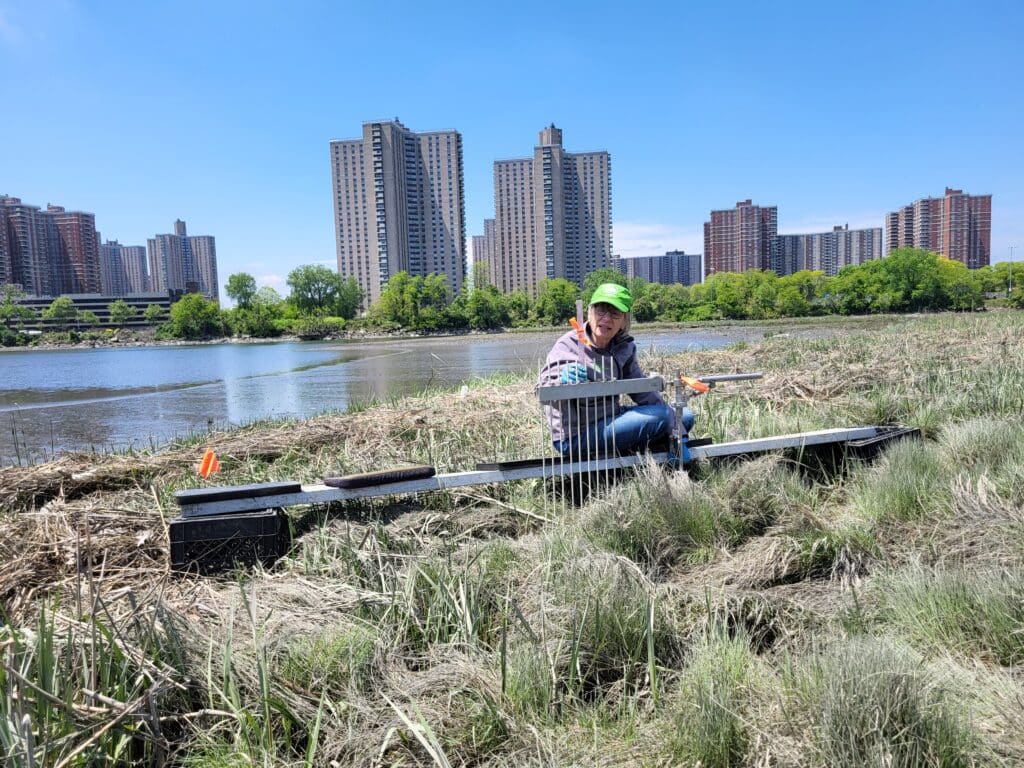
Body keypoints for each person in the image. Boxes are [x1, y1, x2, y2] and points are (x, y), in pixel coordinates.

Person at [538, 283, 675, 457]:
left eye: (615, 313)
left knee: (683, 416)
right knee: (666, 417)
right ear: (590, 312)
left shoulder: (623, 347)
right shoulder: (569, 344)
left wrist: (676, 425)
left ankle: (645, 450)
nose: (606, 318)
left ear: (624, 320)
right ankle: (640, 449)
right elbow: (543, 386)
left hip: (612, 420)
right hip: (576, 435)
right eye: (601, 310)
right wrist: (561, 380)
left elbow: (641, 390)